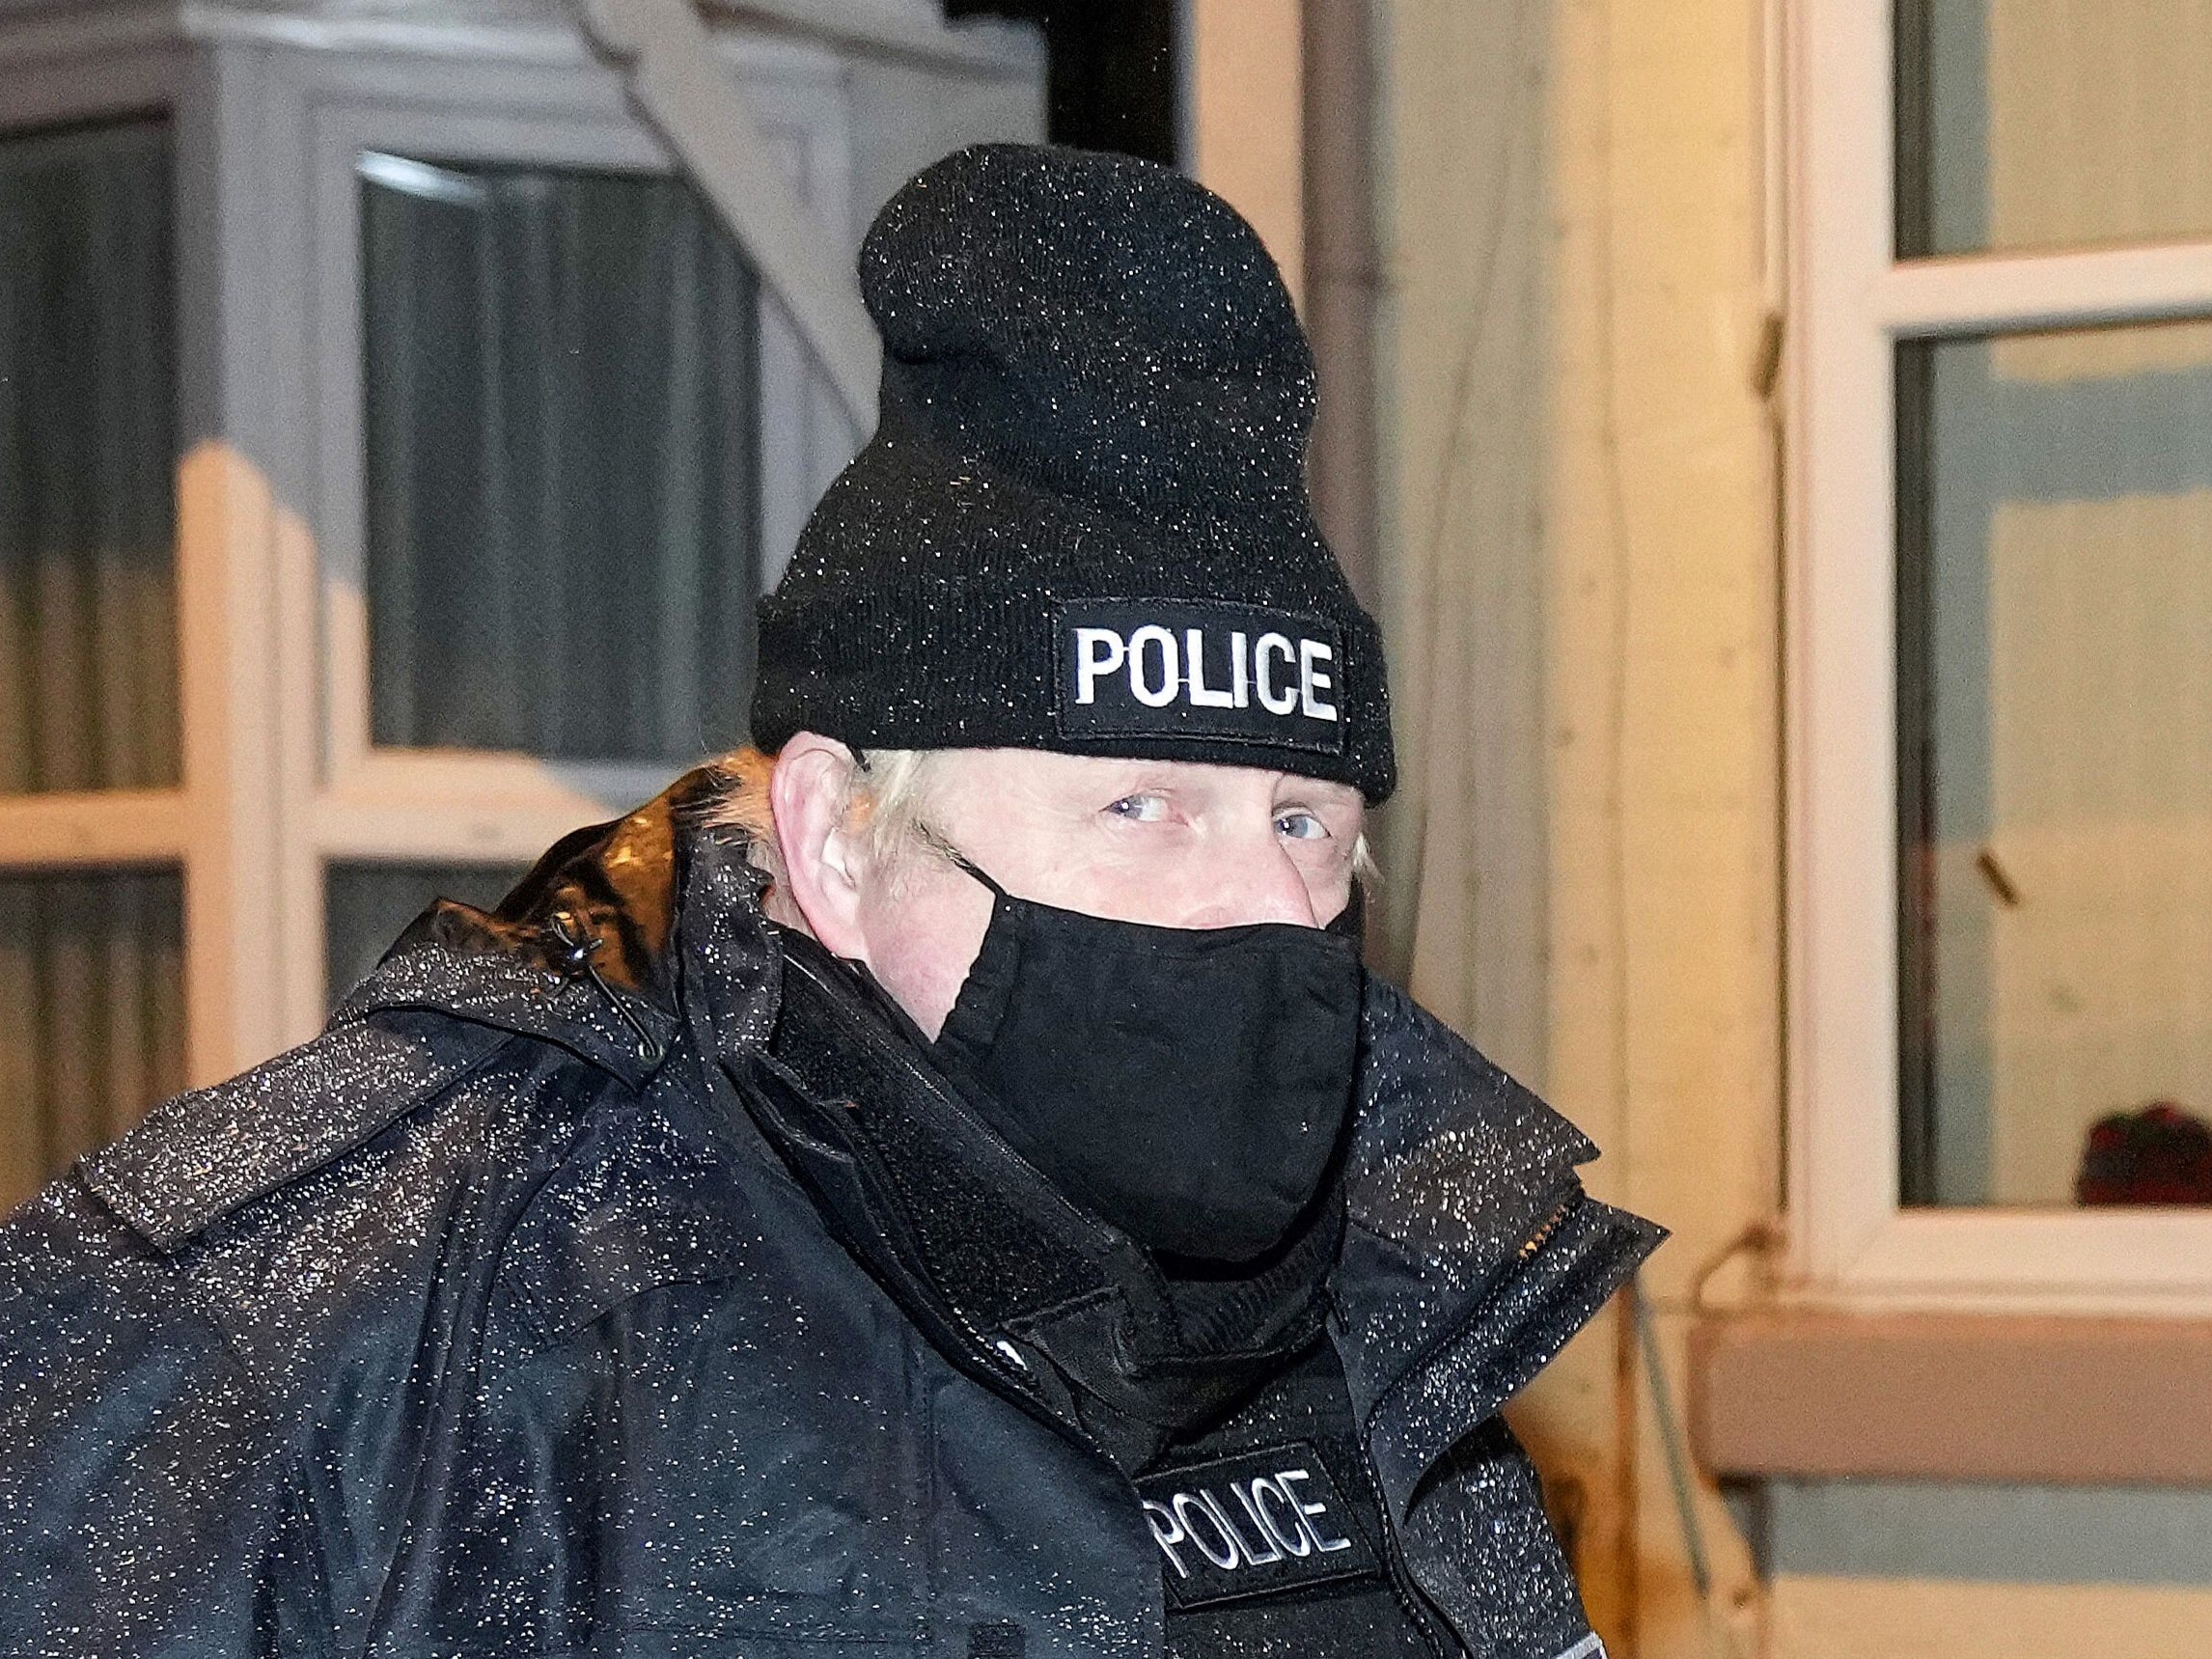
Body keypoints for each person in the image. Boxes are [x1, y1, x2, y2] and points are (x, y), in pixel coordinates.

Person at [0, 143, 1660, 1659]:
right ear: (840, 832)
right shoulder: (329, 1318)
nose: (1257, 906)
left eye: (1306, 822)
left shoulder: (1391, 1284)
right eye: (1138, 805)